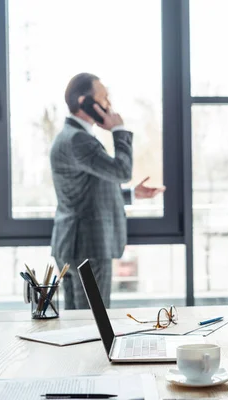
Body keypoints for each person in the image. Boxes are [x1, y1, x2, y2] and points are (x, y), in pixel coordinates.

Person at [50, 72, 165, 310]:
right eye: (103, 98)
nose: (108, 105)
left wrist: (132, 194)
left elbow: (87, 195)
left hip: (71, 244)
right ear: (84, 102)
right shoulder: (79, 140)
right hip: (89, 246)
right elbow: (122, 171)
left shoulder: (69, 137)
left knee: (76, 325)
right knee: (93, 322)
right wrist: (119, 130)